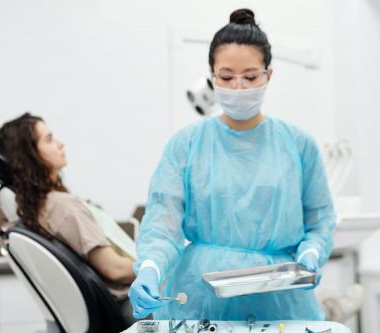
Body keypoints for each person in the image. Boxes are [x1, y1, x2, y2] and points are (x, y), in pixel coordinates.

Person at [129, 8, 336, 320]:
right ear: (212, 76)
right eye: (226, 77)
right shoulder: (186, 145)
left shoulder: (298, 144)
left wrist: (311, 253)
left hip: (279, 296)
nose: (238, 87)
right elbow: (162, 225)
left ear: (269, 75)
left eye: (251, 76)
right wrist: (149, 268)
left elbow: (320, 220)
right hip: (201, 296)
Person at [0, 113, 137, 325]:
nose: (60, 143)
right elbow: (115, 269)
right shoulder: (63, 206)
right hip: (136, 315)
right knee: (202, 322)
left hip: (123, 313)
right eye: (49, 139)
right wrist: (161, 266)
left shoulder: (35, 212)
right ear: (29, 156)